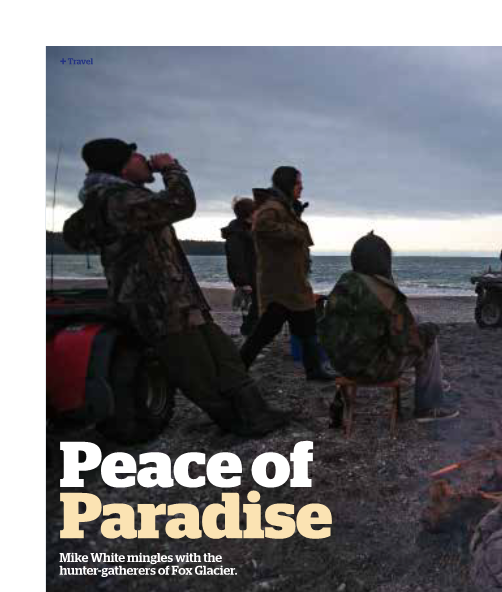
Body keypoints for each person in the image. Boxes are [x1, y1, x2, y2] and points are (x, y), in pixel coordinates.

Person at [63, 138, 287, 437]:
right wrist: (171, 168)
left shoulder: (124, 199)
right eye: (135, 156)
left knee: (223, 355)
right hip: (158, 305)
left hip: (180, 299)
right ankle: (235, 421)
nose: (144, 159)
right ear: (122, 165)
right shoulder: (116, 201)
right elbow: (182, 202)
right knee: (196, 370)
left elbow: (76, 234)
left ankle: (255, 413)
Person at [318, 232, 458, 423]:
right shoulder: (384, 292)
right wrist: (431, 330)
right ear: (384, 261)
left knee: (415, 319)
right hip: (371, 370)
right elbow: (406, 342)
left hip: (341, 363)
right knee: (428, 338)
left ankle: (434, 382)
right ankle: (429, 406)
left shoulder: (344, 282)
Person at [238, 166, 334, 381]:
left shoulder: (284, 207)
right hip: (280, 284)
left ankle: (314, 370)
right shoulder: (272, 208)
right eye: (298, 183)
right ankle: (236, 369)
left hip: (292, 282)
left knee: (308, 327)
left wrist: (295, 216)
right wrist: (296, 231)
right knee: (264, 333)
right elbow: (261, 228)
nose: (302, 187)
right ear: (287, 184)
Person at [221, 197, 259, 336]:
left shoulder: (249, 230)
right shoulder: (236, 234)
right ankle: (247, 339)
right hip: (248, 281)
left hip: (256, 278)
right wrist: (243, 283)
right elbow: (235, 259)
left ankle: (251, 339)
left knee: (255, 311)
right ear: (249, 213)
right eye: (256, 211)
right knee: (250, 313)